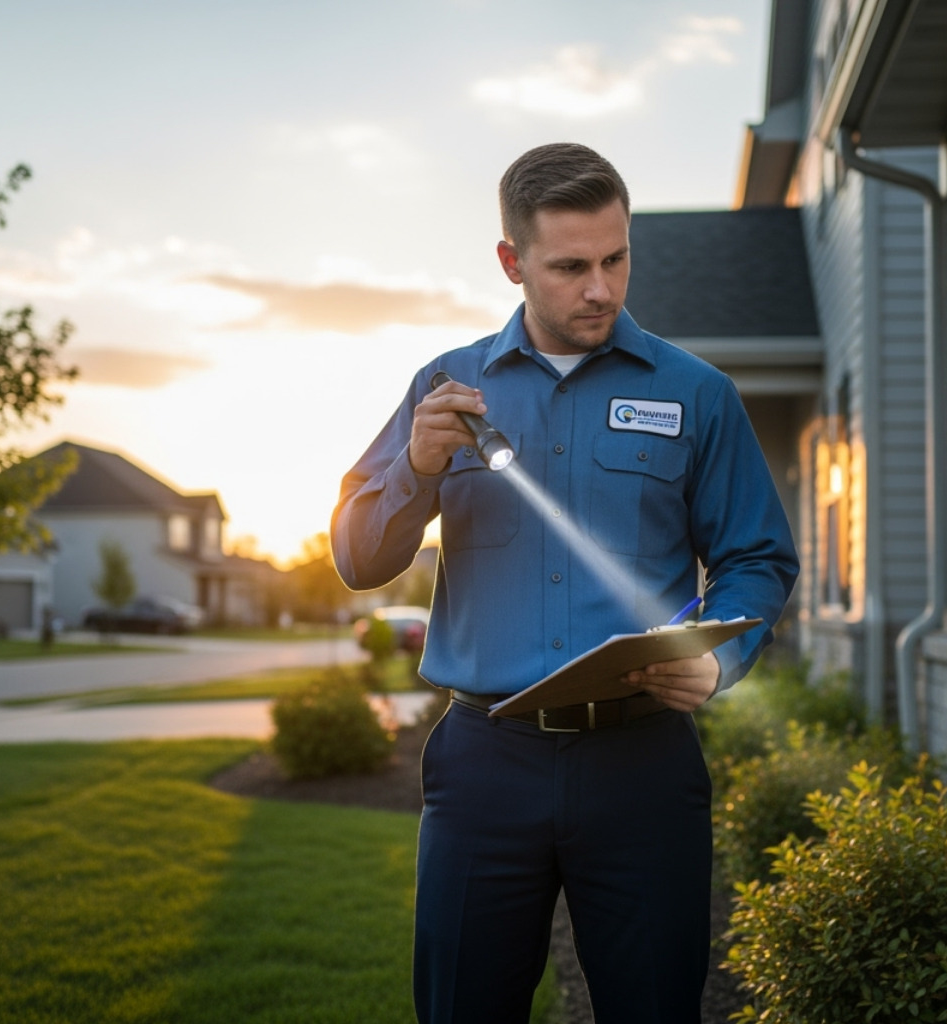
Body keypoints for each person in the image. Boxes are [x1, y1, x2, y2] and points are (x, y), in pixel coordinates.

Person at [331, 142, 798, 1023]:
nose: (602, 289)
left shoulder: (697, 395)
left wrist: (720, 661)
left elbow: (757, 557)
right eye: (571, 266)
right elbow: (359, 560)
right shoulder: (445, 388)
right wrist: (418, 470)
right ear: (512, 262)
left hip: (644, 765)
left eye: (617, 259)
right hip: (483, 766)